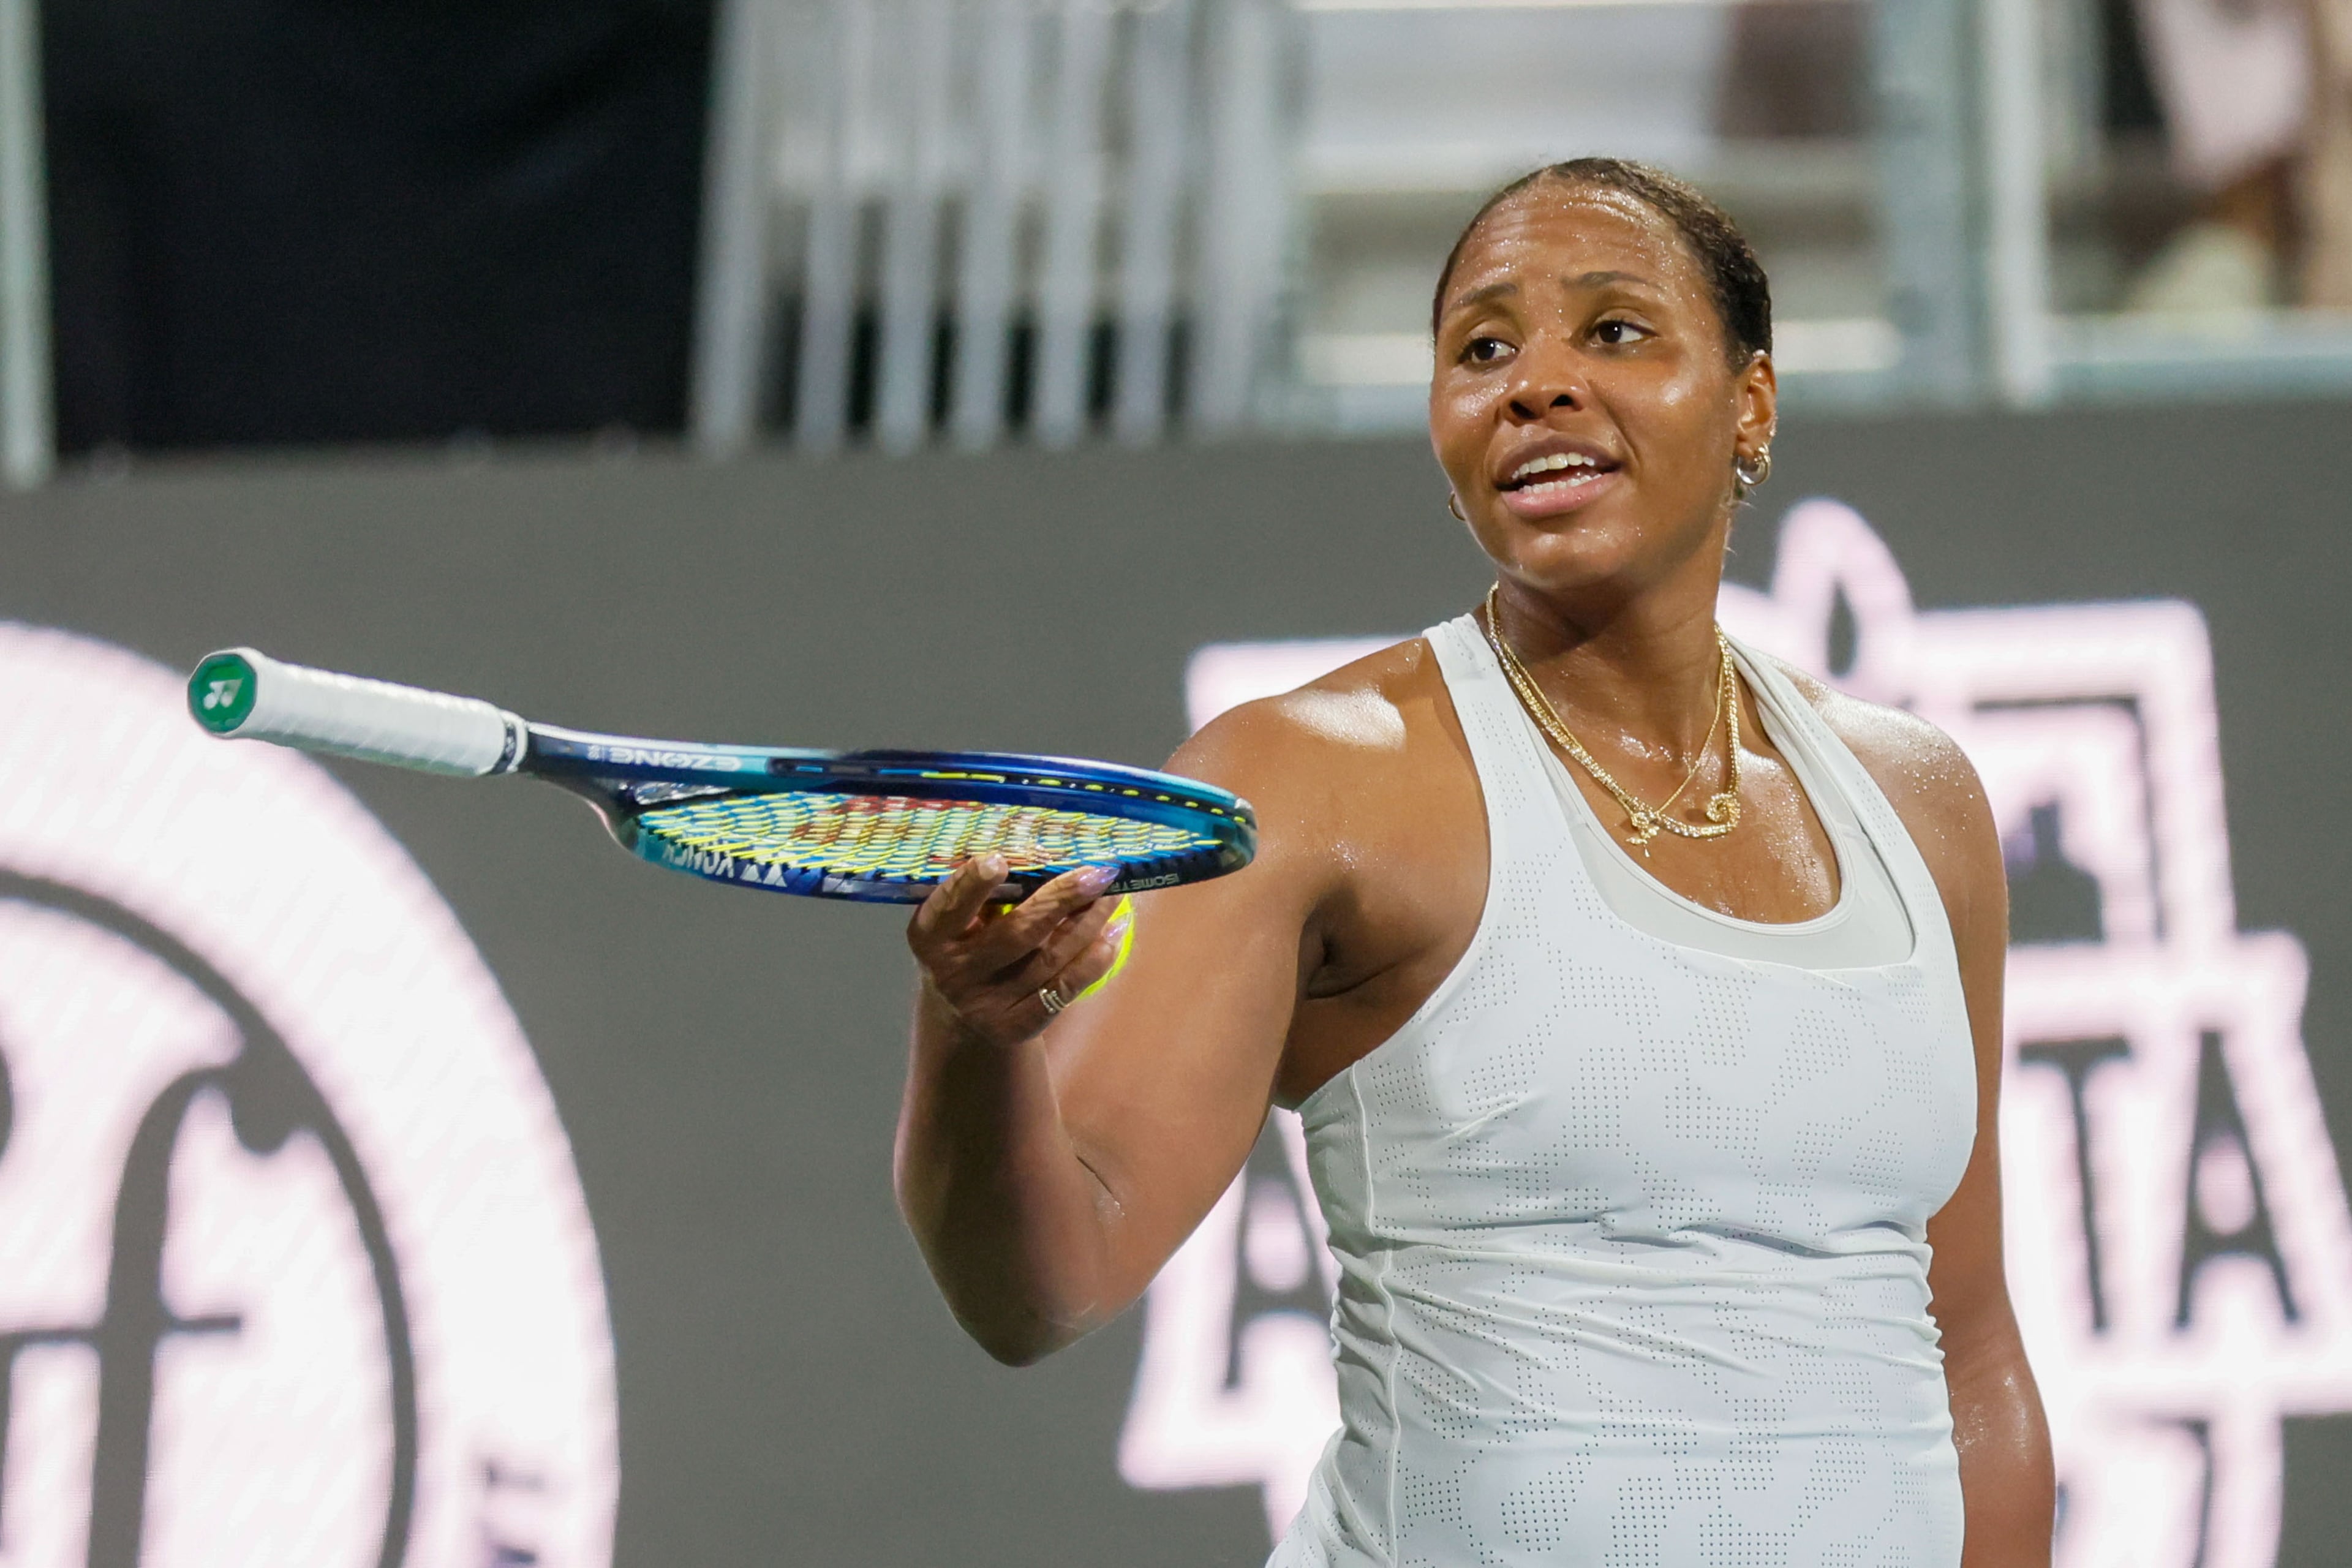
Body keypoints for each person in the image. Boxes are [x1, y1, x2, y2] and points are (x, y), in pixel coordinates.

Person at [896, 157, 2054, 1566]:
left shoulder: (1917, 803)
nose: (1538, 383)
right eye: (1483, 348)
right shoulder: (1308, 778)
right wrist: (977, 1037)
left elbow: (1972, 1354)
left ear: (1752, 400)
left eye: (1614, 330)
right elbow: (1045, 1283)